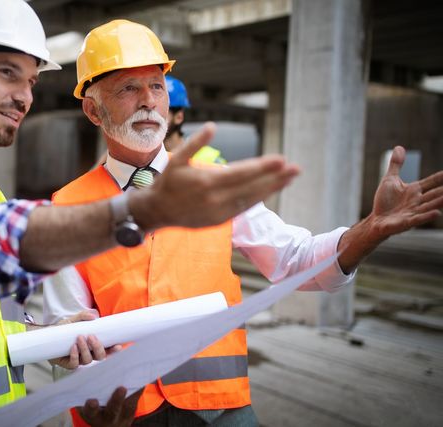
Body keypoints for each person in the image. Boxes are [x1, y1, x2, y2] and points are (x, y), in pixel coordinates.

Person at [0, 1, 300, 426]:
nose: (24, 96)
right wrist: (140, 207)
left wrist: (49, 336)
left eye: (31, 80)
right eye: (7, 73)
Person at [41, 19, 443, 427]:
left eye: (156, 86)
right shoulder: (68, 206)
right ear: (93, 109)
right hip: (123, 415)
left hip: (222, 410)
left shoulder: (216, 183)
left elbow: (295, 260)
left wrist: (372, 227)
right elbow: (67, 329)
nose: (148, 100)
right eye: (129, 88)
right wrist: (96, 401)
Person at [164, 75, 226, 164]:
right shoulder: (142, 160)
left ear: (179, 117)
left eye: (160, 113)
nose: (152, 118)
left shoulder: (209, 159)